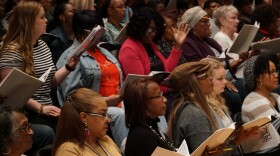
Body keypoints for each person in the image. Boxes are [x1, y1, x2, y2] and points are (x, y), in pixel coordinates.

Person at [0, 1, 79, 130]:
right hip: (21, 112)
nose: (46, 20)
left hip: (45, 107)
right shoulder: (12, 51)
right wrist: (40, 108)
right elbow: (12, 93)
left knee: (79, 121)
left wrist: (68, 67)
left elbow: (49, 82)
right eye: (42, 17)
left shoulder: (42, 45)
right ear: (29, 22)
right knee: (51, 131)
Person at [56, 10, 127, 148]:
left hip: (118, 102)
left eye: (102, 30)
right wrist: (105, 101)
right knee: (120, 114)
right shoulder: (71, 57)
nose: (100, 35)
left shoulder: (105, 52)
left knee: (145, 105)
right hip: (96, 109)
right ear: (81, 32)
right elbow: (73, 97)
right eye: (96, 31)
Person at [181, 6, 243, 115]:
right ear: (194, 25)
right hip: (207, 81)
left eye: (208, 21)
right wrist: (222, 80)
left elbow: (226, 59)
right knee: (234, 97)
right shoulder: (187, 43)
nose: (209, 25)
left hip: (225, 74)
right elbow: (198, 68)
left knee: (245, 84)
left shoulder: (208, 41)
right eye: (205, 22)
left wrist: (238, 60)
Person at [118, 7, 189, 78]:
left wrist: (177, 45)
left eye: (155, 30)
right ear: (140, 26)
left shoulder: (149, 44)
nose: (153, 34)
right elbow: (139, 83)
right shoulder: (129, 49)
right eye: (150, 29)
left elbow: (167, 70)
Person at [52, 88, 121, 156]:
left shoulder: (106, 140)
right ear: (84, 117)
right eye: (103, 114)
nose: (108, 120)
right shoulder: (68, 150)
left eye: (107, 114)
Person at [123, 78, 176, 156]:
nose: (165, 100)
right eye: (159, 95)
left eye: (162, 94)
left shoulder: (151, 126)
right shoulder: (142, 137)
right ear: (143, 104)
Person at [242, 55, 280, 155]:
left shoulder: (275, 96)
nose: (276, 75)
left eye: (276, 71)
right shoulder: (254, 101)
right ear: (259, 77)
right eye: (271, 72)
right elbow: (277, 133)